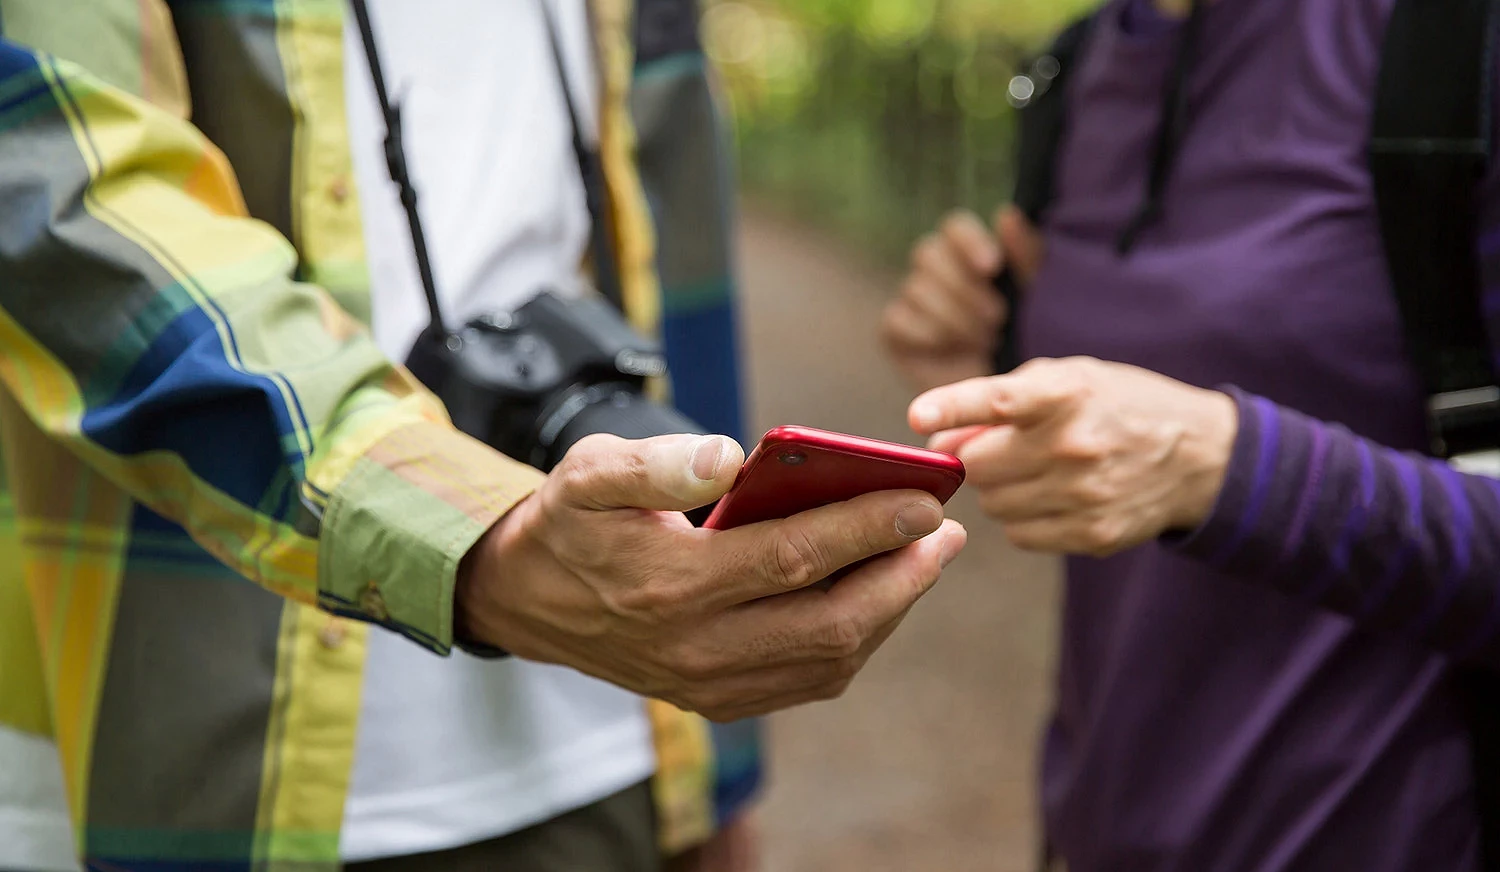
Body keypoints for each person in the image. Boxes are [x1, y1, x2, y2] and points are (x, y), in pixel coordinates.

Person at [0, 1, 968, 871]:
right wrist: (475, 546)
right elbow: (58, 201)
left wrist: (714, 774)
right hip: (228, 756)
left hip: (612, 737)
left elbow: (672, 257)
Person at [885, 0, 1500, 869]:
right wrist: (994, 344)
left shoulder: (1456, 43)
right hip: (1097, 826)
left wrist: (1226, 469)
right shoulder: (1078, 65)